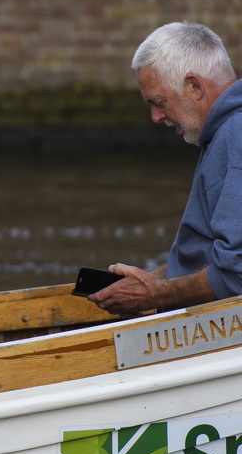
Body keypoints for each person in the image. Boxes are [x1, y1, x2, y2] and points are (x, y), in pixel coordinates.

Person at [88, 21, 240, 316]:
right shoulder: (222, 132)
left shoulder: (236, 134)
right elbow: (211, 255)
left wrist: (155, 294)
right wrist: (152, 279)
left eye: (159, 102)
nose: (155, 116)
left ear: (194, 86)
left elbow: (237, 272)